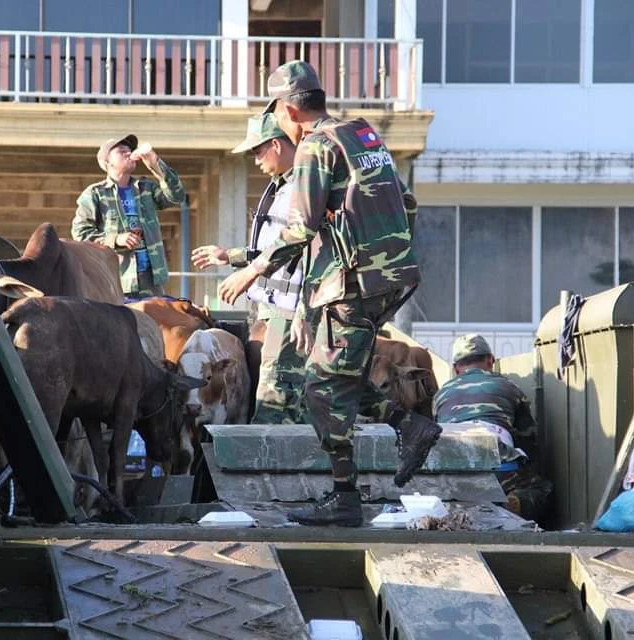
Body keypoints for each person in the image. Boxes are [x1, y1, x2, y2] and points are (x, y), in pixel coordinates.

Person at [217, 60, 442, 526]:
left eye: (276, 113)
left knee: (318, 389)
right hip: (385, 279)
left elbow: (300, 227)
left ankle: (345, 499)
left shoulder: (315, 147)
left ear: (288, 109)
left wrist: (251, 270)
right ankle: (410, 425)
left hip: (350, 284)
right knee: (337, 373)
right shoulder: (362, 135)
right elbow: (408, 203)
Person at [192, 113, 307, 424]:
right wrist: (229, 257)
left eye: (257, 151)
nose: (255, 160)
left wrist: (249, 272)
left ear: (275, 145)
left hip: (292, 310)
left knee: (274, 405)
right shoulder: (281, 186)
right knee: (281, 400)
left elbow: (298, 242)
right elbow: (274, 244)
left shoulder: (303, 186)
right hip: (274, 308)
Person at [433, 334, 552, 523]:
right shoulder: (508, 387)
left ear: (456, 368)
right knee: (540, 488)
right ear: (490, 360)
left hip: (452, 468)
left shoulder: (441, 394)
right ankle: (513, 502)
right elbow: (528, 439)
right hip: (498, 463)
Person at [71, 134, 185, 298]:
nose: (128, 153)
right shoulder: (95, 194)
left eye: (129, 150)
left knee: (156, 322)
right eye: (121, 151)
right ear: (107, 162)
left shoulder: (145, 188)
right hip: (117, 281)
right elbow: (81, 235)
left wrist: (156, 165)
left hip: (151, 280)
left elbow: (176, 197)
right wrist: (116, 240)